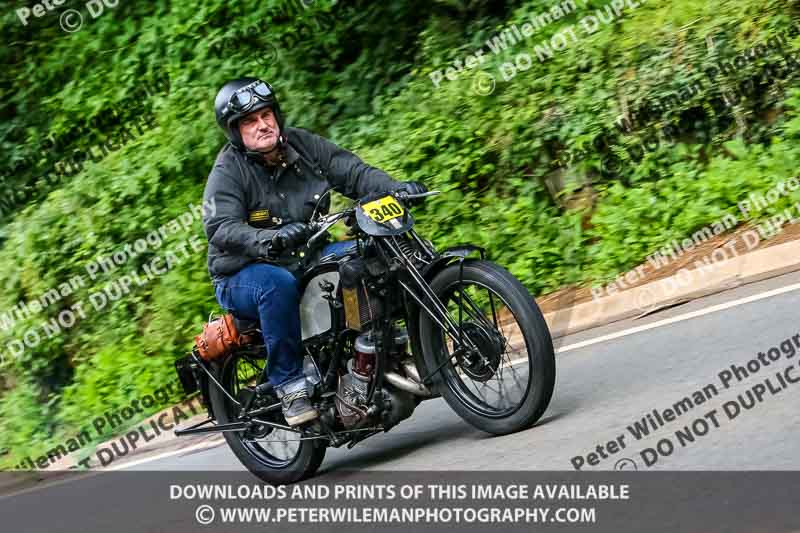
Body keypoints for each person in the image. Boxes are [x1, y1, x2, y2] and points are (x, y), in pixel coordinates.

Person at [202, 77, 426, 426]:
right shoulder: (228, 171)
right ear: (234, 131)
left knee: (370, 254)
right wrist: (270, 238)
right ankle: (289, 385)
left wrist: (395, 190)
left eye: (266, 114)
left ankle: (379, 343)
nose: (262, 125)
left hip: (305, 254)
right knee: (276, 284)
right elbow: (220, 228)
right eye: (249, 120)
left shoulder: (303, 145)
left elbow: (353, 173)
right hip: (243, 272)